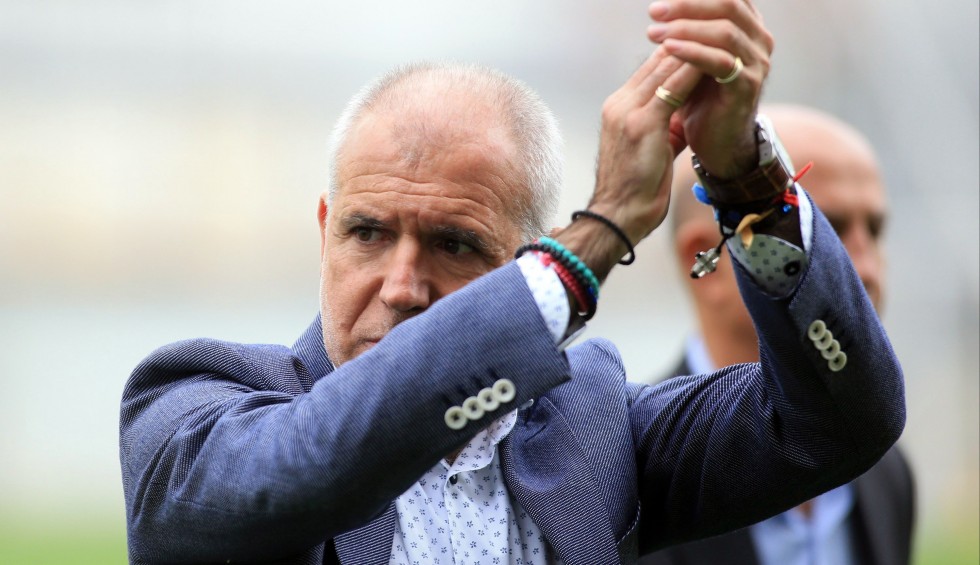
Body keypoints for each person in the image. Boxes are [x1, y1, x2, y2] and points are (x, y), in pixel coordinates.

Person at [119, 2, 905, 563]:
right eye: (368, 232)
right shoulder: (193, 405)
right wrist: (599, 233)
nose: (402, 284)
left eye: (454, 244)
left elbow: (843, 421)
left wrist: (746, 179)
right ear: (325, 230)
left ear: (522, 257)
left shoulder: (593, 429)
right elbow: (318, 455)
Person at [639, 105, 915, 565]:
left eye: (875, 230)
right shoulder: (631, 481)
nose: (866, 267)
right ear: (706, 262)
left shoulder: (887, 474)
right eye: (826, 231)